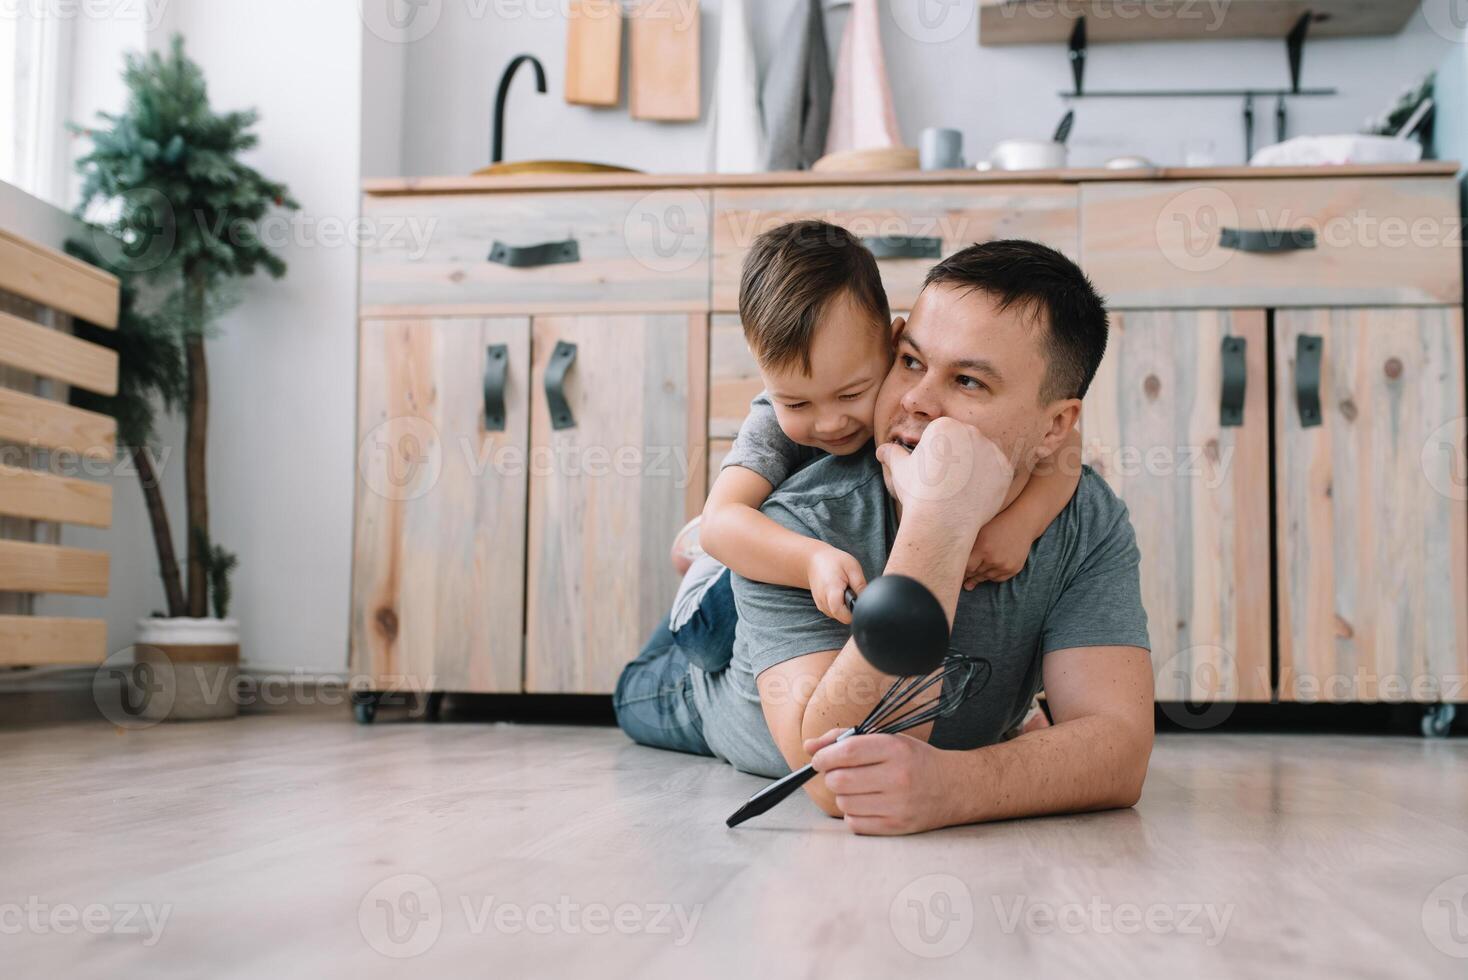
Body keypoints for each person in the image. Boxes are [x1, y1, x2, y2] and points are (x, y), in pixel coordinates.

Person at [616, 239, 1154, 835]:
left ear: (1055, 426)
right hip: (705, 689)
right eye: (912, 362)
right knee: (648, 680)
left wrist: (956, 785)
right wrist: (939, 520)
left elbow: (1120, 752)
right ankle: (696, 583)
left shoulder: (1085, 519)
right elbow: (832, 774)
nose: (916, 401)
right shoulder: (799, 514)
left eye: (969, 381)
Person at [662, 220, 1080, 681]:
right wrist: (809, 560)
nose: (829, 422)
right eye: (797, 403)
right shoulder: (770, 420)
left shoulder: (909, 374)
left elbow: (1066, 449)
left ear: (892, 341)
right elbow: (724, 525)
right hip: (737, 583)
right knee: (707, 629)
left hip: (846, 564)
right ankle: (696, 569)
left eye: (851, 394)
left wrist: (1020, 527)